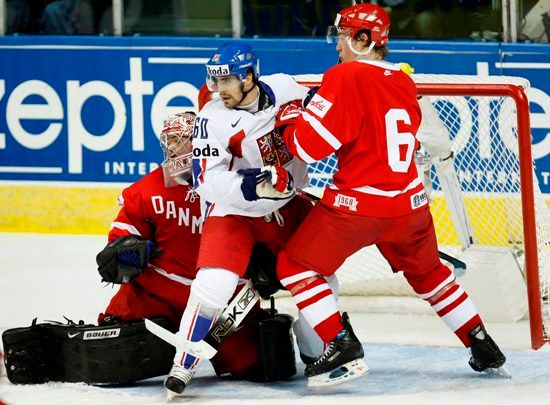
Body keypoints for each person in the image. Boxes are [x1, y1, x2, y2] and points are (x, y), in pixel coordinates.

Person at [270, 3, 507, 388]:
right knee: (430, 275)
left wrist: (292, 118)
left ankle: (339, 343)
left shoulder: (346, 76)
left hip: (360, 207)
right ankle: (481, 343)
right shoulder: (403, 81)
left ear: (364, 40)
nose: (338, 47)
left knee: (294, 265)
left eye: (344, 37)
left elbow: (308, 148)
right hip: (411, 205)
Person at [2, 112, 295, 386]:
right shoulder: (148, 190)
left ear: (203, 145)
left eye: (180, 142)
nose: (173, 150)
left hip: (223, 303)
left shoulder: (239, 184)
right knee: (113, 347)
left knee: (261, 365)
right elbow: (122, 235)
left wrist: (272, 263)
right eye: (169, 143)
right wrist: (122, 252)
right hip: (157, 293)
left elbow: (275, 229)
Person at [163, 42, 337, 399]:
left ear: (249, 76)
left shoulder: (287, 86)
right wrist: (255, 186)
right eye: (214, 81)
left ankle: (317, 353)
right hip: (235, 211)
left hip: (287, 207)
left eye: (225, 80)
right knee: (213, 285)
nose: (218, 90)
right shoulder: (212, 118)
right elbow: (206, 180)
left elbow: (325, 107)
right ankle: (183, 363)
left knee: (322, 274)